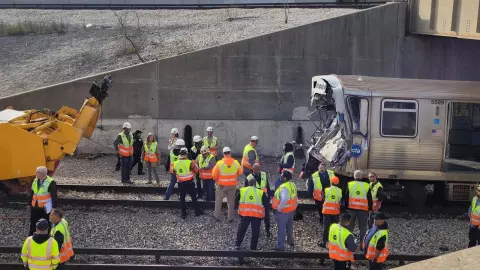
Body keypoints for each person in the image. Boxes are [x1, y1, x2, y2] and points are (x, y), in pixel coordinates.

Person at [212, 147, 243, 222]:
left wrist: (218, 181)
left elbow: (213, 175)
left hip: (221, 186)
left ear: (223, 154)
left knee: (219, 201)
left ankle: (217, 216)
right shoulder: (236, 162)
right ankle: (230, 218)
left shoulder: (219, 163)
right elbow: (240, 172)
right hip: (232, 185)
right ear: (230, 153)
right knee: (231, 202)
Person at [235, 178, 266, 250]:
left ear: (248, 183)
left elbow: (236, 201)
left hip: (245, 214)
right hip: (257, 215)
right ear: (255, 184)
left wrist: (238, 210)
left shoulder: (242, 190)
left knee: (242, 229)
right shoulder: (261, 192)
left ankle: (238, 244)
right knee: (255, 231)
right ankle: (253, 247)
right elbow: (265, 204)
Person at [345, 170, 373, 245]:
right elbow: (369, 198)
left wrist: (346, 208)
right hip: (363, 210)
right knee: (363, 228)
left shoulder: (349, 184)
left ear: (354, 176)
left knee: (350, 227)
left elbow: (346, 197)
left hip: (351, 209)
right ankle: (362, 245)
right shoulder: (366, 185)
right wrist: (370, 208)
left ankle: (349, 244)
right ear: (361, 177)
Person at [174, 147, 203, 219]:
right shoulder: (190, 162)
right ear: (186, 154)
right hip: (190, 183)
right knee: (193, 197)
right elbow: (196, 171)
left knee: (182, 199)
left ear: (180, 154)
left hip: (181, 183)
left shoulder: (175, 163)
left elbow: (174, 172)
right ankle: (197, 212)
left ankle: (183, 214)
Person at [272, 171, 298, 251]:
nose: (281, 176)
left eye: (282, 175)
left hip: (283, 212)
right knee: (289, 227)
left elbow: (284, 200)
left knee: (281, 229)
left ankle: (280, 246)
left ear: (285, 178)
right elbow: (296, 197)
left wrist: (279, 209)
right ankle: (290, 241)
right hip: (291, 210)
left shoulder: (283, 187)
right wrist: (294, 207)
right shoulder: (293, 185)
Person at [29, 166, 58, 236]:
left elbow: (54, 196)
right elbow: (32, 193)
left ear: (42, 174)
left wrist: (53, 207)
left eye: (37, 172)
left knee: (45, 223)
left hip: (45, 209)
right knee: (33, 223)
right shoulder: (35, 180)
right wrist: (30, 203)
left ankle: (46, 237)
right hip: (35, 207)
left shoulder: (51, 182)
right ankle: (32, 236)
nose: (35, 173)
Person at [246, 164, 271, 238]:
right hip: (255, 200)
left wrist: (268, 196)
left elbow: (267, 187)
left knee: (267, 217)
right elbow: (247, 190)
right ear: (252, 170)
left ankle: (268, 231)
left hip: (264, 199)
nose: (258, 172)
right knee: (257, 217)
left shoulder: (264, 175)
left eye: (259, 170)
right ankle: (257, 231)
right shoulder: (249, 177)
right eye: (256, 170)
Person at [319, 176, 342, 248]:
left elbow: (322, 198)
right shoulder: (340, 190)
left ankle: (324, 242)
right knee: (334, 227)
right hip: (335, 212)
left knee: (326, 227)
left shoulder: (326, 189)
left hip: (327, 211)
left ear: (331, 182)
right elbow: (340, 200)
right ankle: (334, 242)